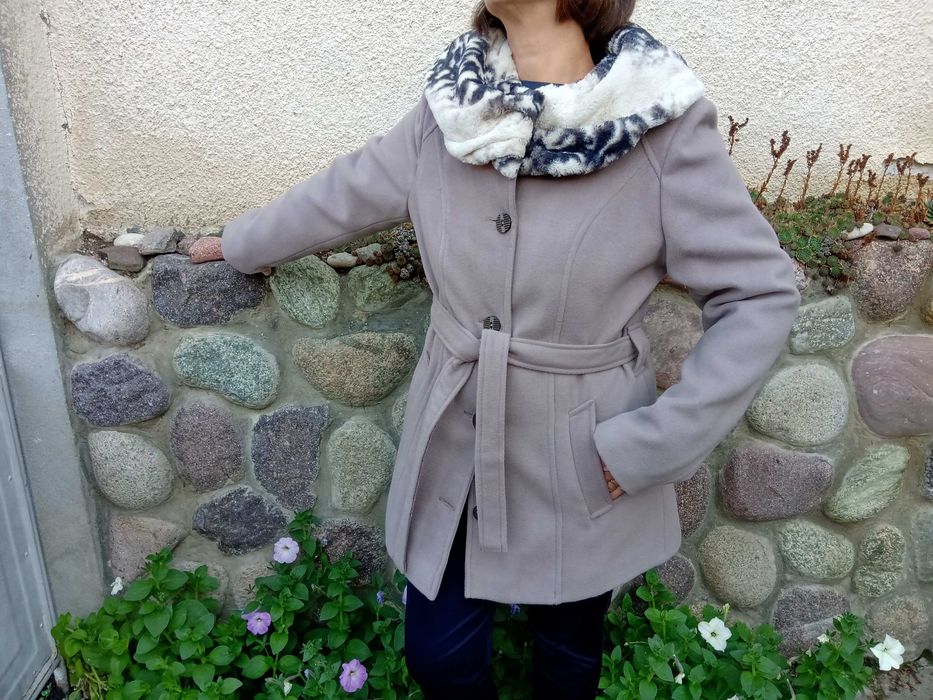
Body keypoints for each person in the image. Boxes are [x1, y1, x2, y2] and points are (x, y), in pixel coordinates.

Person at [215, 0, 802, 697]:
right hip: (457, 436)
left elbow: (759, 293)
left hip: (582, 450)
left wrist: (654, 446)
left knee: (568, 652)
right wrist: (238, 244)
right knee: (438, 656)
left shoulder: (658, 125)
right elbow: (348, 190)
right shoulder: (453, 107)